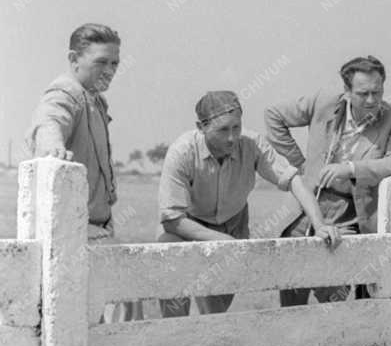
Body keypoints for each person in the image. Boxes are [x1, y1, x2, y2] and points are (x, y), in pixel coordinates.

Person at [157, 91, 335, 318]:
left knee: (216, 307)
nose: (232, 138)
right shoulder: (181, 152)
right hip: (187, 226)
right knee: (171, 273)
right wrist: (222, 241)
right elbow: (172, 220)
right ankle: (173, 342)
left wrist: (319, 224)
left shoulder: (252, 144)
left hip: (233, 224)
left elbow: (294, 181)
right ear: (201, 127)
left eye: (236, 128)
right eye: (223, 130)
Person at [264, 55, 391, 307]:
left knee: (334, 286)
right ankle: (293, 342)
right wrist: (301, 165)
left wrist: (350, 168)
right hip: (306, 207)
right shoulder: (323, 102)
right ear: (347, 91)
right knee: (292, 281)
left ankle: (335, 341)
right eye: (363, 93)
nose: (372, 100)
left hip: (352, 213)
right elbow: (273, 116)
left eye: (378, 92)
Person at [26, 22, 143, 322]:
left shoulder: (95, 100)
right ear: (74, 59)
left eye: (115, 63)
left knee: (117, 313)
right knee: (107, 316)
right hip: (78, 234)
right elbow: (48, 119)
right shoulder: (67, 91)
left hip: (100, 231)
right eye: (101, 62)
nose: (110, 70)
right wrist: (53, 149)